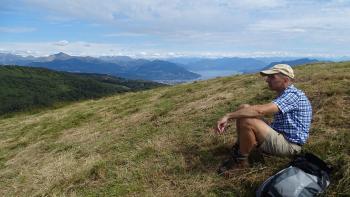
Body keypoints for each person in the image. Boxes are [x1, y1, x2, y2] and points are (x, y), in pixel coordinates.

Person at [215, 64, 312, 175]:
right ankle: (242, 148)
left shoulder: (293, 95)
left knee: (247, 121)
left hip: (290, 146)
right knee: (244, 108)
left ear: (285, 80)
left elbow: (260, 111)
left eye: (272, 77)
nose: (267, 80)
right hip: (281, 136)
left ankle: (242, 163)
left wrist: (228, 116)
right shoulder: (286, 94)